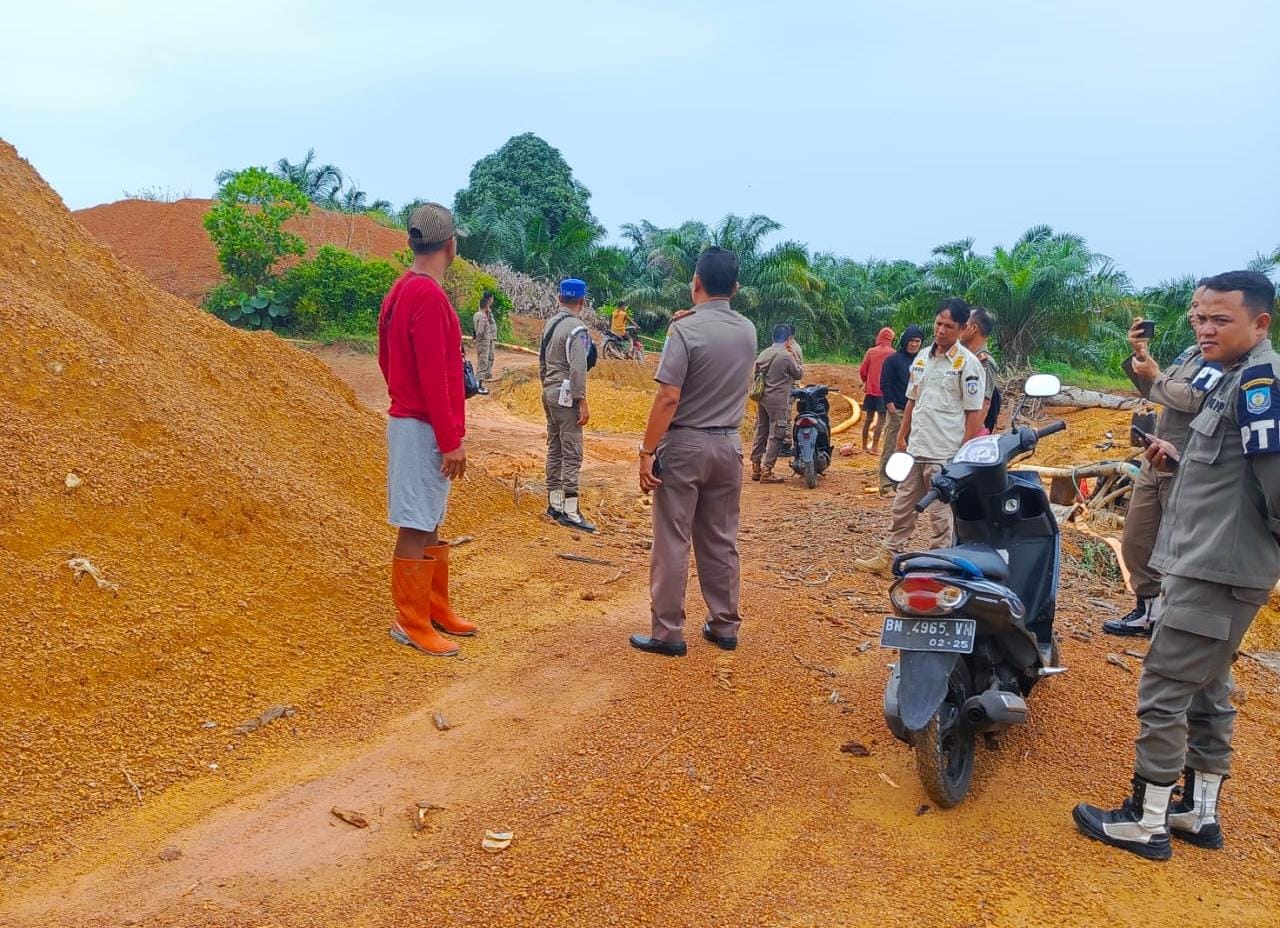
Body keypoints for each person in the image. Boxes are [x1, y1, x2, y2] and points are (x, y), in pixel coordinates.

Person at [1073, 271, 1279, 861]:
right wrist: (1180, 454)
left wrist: (1255, 556)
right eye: (1198, 317)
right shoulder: (1233, 377)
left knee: (1164, 689)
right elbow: (1235, 468)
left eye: (1220, 319)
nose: (1205, 328)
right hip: (1209, 561)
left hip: (1218, 570)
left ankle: (1147, 820)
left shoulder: (1261, 382)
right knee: (1209, 685)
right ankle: (1198, 811)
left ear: (1259, 323)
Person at [630, 247, 758, 656]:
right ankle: (724, 626)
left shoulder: (683, 331)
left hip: (684, 444)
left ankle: (668, 632)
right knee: (720, 538)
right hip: (729, 446)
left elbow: (668, 395)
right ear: (735, 288)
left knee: (672, 539)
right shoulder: (749, 330)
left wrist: (647, 451)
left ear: (696, 282)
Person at [378, 203, 477, 658]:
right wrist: (451, 437)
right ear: (451, 245)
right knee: (417, 522)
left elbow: (386, 359)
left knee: (429, 515)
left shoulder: (399, 290)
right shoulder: (431, 298)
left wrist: (403, 395)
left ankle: (435, 607)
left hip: (411, 417)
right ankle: (411, 620)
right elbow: (438, 376)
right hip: (422, 424)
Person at [1105, 287, 1220, 637]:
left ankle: (1177, 621)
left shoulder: (1220, 360)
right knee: (1135, 540)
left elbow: (1191, 399)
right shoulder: (1189, 354)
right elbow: (1154, 391)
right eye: (1192, 307)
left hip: (1187, 464)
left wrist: (1156, 375)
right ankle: (1147, 610)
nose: (1193, 314)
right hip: (1156, 457)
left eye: (1201, 308)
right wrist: (1141, 355)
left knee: (1178, 546)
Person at [853, 299, 985, 576]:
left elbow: (974, 412)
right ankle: (888, 556)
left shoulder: (968, 365)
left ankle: (941, 564)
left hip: (944, 452)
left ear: (962, 328)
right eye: (938, 324)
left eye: (949, 326)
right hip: (917, 448)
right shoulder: (923, 357)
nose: (941, 330)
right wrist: (902, 434)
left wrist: (964, 450)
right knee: (902, 505)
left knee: (940, 513)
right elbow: (912, 399)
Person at [541, 278, 596, 532]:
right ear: (582, 302)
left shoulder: (550, 324)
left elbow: (541, 360)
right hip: (566, 395)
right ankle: (571, 511)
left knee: (555, 448)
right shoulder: (577, 329)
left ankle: (554, 503)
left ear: (559, 298)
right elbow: (578, 368)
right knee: (572, 451)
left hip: (549, 391)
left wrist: (546, 385)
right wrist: (581, 400)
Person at [750, 324, 804, 483]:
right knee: (777, 434)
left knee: (761, 430)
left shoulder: (764, 353)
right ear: (788, 339)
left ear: (773, 338)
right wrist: (796, 359)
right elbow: (798, 374)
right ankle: (767, 471)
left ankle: (756, 466)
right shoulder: (787, 356)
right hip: (779, 400)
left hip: (762, 398)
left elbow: (756, 375)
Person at [877, 325, 924, 496]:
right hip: (897, 410)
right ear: (905, 341)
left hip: (917, 413)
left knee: (910, 450)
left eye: (917, 341)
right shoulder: (893, 360)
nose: (913, 344)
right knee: (891, 447)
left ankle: (901, 483)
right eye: (911, 341)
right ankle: (886, 484)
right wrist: (890, 407)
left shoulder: (923, 361)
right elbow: (885, 384)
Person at [960, 307, 999, 434]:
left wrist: (967, 440)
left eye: (964, 324)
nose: (959, 328)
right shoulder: (965, 358)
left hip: (970, 433)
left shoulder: (984, 362)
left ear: (973, 328)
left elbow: (983, 404)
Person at [858, 327, 896, 453]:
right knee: (881, 419)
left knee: (868, 418)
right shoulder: (893, 353)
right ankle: (874, 447)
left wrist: (867, 382)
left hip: (870, 390)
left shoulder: (871, 351)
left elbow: (863, 370)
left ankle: (864, 446)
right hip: (883, 392)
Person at [472, 290, 497, 389]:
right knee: (483, 361)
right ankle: (478, 384)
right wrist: (478, 339)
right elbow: (480, 330)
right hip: (484, 340)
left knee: (485, 359)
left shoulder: (477, 314)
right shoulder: (483, 315)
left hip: (485, 339)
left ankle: (483, 378)